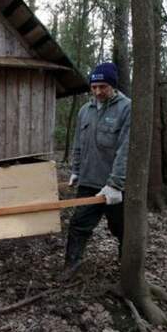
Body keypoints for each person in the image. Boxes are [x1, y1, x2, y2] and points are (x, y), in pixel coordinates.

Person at [63, 62, 131, 281]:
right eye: (94, 87)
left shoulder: (126, 108)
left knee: (122, 229)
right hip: (89, 182)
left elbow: (126, 149)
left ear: (113, 85)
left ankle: (127, 270)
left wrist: (115, 184)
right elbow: (78, 144)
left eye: (103, 86)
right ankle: (71, 266)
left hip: (115, 187)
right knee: (78, 225)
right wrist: (75, 170)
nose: (98, 91)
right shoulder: (85, 110)